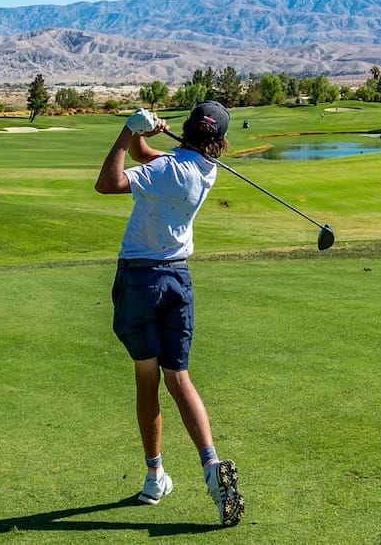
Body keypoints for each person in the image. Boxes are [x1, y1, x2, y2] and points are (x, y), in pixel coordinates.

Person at [93, 101, 245, 527]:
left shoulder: (169, 171)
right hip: (178, 280)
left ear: (188, 128)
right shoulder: (202, 170)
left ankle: (154, 474)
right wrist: (147, 134)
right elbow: (147, 157)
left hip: (141, 280)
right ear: (216, 141)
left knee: (147, 379)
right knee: (179, 378)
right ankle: (211, 466)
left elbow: (108, 183)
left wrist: (127, 131)